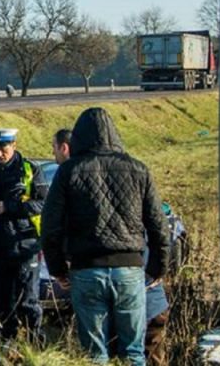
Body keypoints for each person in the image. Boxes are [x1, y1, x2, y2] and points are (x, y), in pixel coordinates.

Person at [41, 107, 170, 365]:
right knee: (133, 352)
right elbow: (158, 225)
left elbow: (50, 226)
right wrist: (158, 268)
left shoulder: (68, 172)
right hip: (130, 269)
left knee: (94, 355)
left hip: (86, 269)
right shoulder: (138, 169)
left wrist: (58, 270)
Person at [0, 128, 47, 341]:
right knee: (1, 300)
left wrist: (8, 207)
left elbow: (43, 203)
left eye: (3, 149)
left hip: (25, 244)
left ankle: (35, 345)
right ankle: (8, 342)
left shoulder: (30, 170)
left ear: (14, 145)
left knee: (28, 301)